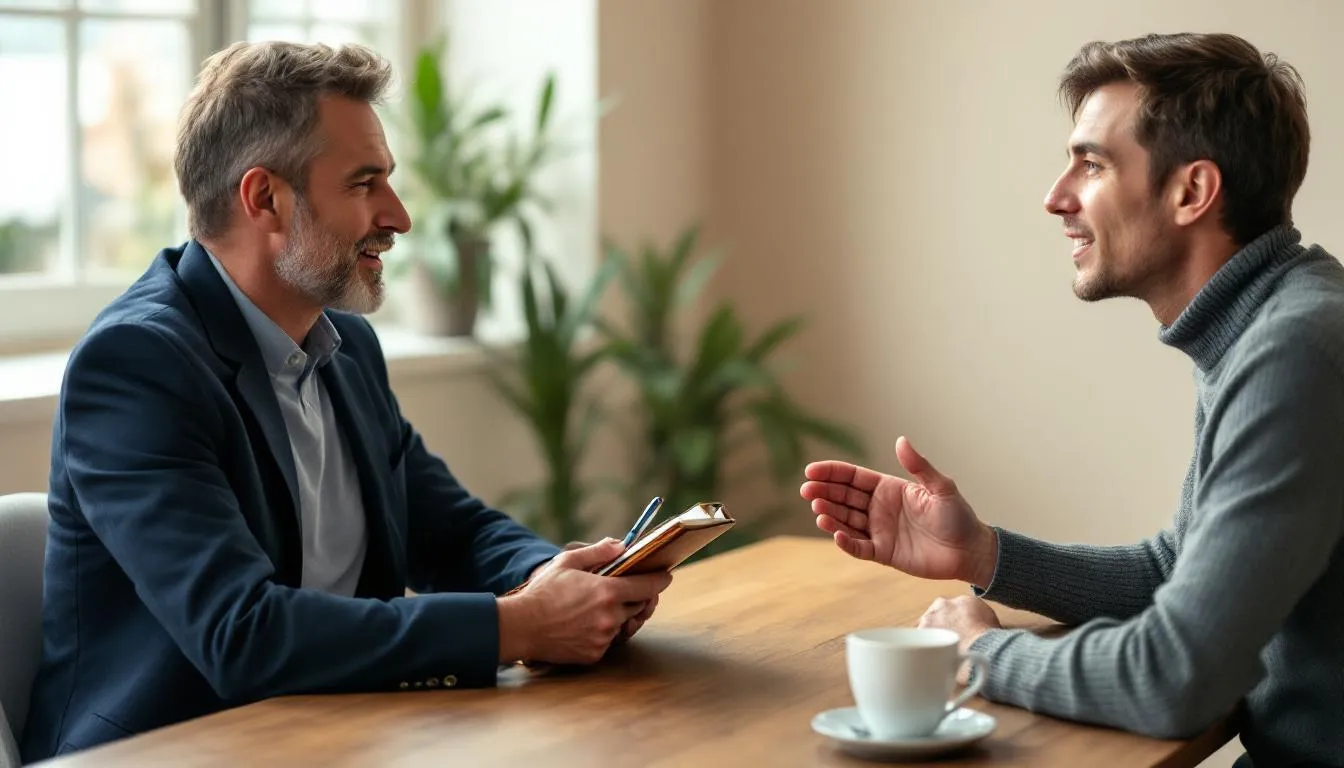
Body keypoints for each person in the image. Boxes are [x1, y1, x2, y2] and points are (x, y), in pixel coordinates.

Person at [21, 40, 671, 762]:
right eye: (365, 184)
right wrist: (517, 626)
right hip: (169, 750)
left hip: (335, 735)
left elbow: (448, 530)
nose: (398, 216)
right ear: (264, 197)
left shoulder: (345, 346)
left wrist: (568, 583)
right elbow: (241, 634)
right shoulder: (138, 365)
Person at [801, 32, 1342, 768]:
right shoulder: (1270, 323)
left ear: (1192, 191)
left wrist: (980, 651)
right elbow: (1178, 569)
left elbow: (1175, 676)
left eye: (1091, 164)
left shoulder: (1295, 350)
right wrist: (983, 552)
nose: (1055, 197)